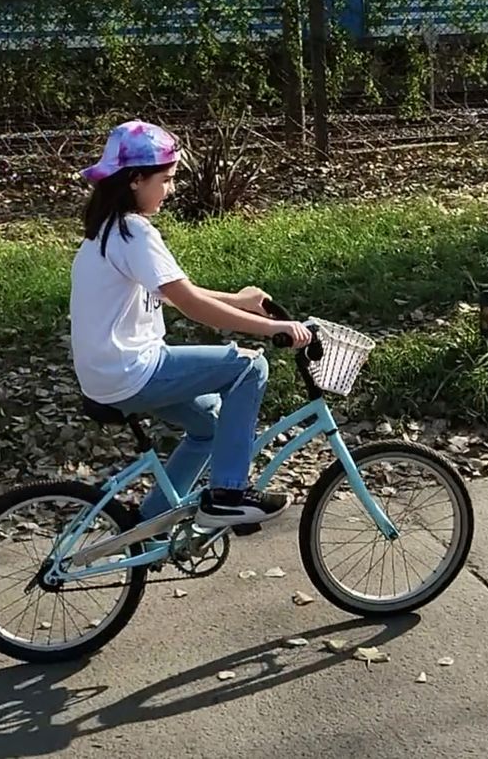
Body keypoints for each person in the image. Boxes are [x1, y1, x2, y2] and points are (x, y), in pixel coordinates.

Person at [69, 119, 312, 530]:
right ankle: (228, 495)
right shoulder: (134, 232)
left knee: (211, 427)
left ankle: (145, 526)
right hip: (132, 371)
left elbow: (176, 290)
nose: (171, 188)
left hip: (110, 372)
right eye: (165, 179)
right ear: (135, 180)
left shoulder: (107, 233)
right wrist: (271, 330)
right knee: (250, 367)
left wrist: (237, 301)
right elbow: (191, 305)